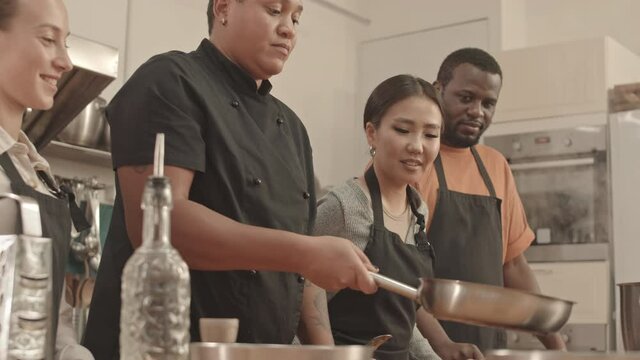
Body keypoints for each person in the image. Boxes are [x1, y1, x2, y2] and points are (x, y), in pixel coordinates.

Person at [82, 0, 377, 358]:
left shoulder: (293, 130)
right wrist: (305, 253)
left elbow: (302, 276)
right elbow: (159, 222)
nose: (288, 29)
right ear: (223, 7)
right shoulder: (170, 80)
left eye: (296, 18)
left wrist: (328, 353)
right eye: (273, 10)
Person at [308, 74, 483, 360]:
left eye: (430, 134)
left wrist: (438, 353)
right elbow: (297, 291)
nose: (417, 146)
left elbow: (399, 317)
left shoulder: (418, 210)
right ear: (371, 133)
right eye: (403, 130)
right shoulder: (345, 207)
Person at [411, 48, 566, 352]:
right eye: (466, 98)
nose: (477, 112)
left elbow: (514, 266)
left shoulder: (495, 165)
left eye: (488, 103)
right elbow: (397, 269)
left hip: (487, 346)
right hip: (427, 345)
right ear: (438, 90)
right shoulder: (414, 160)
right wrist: (441, 344)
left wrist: (558, 347)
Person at [0, 0, 95, 359]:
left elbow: (50, 323)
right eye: (47, 39)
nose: (66, 62)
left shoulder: (38, 176)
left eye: (65, 43)